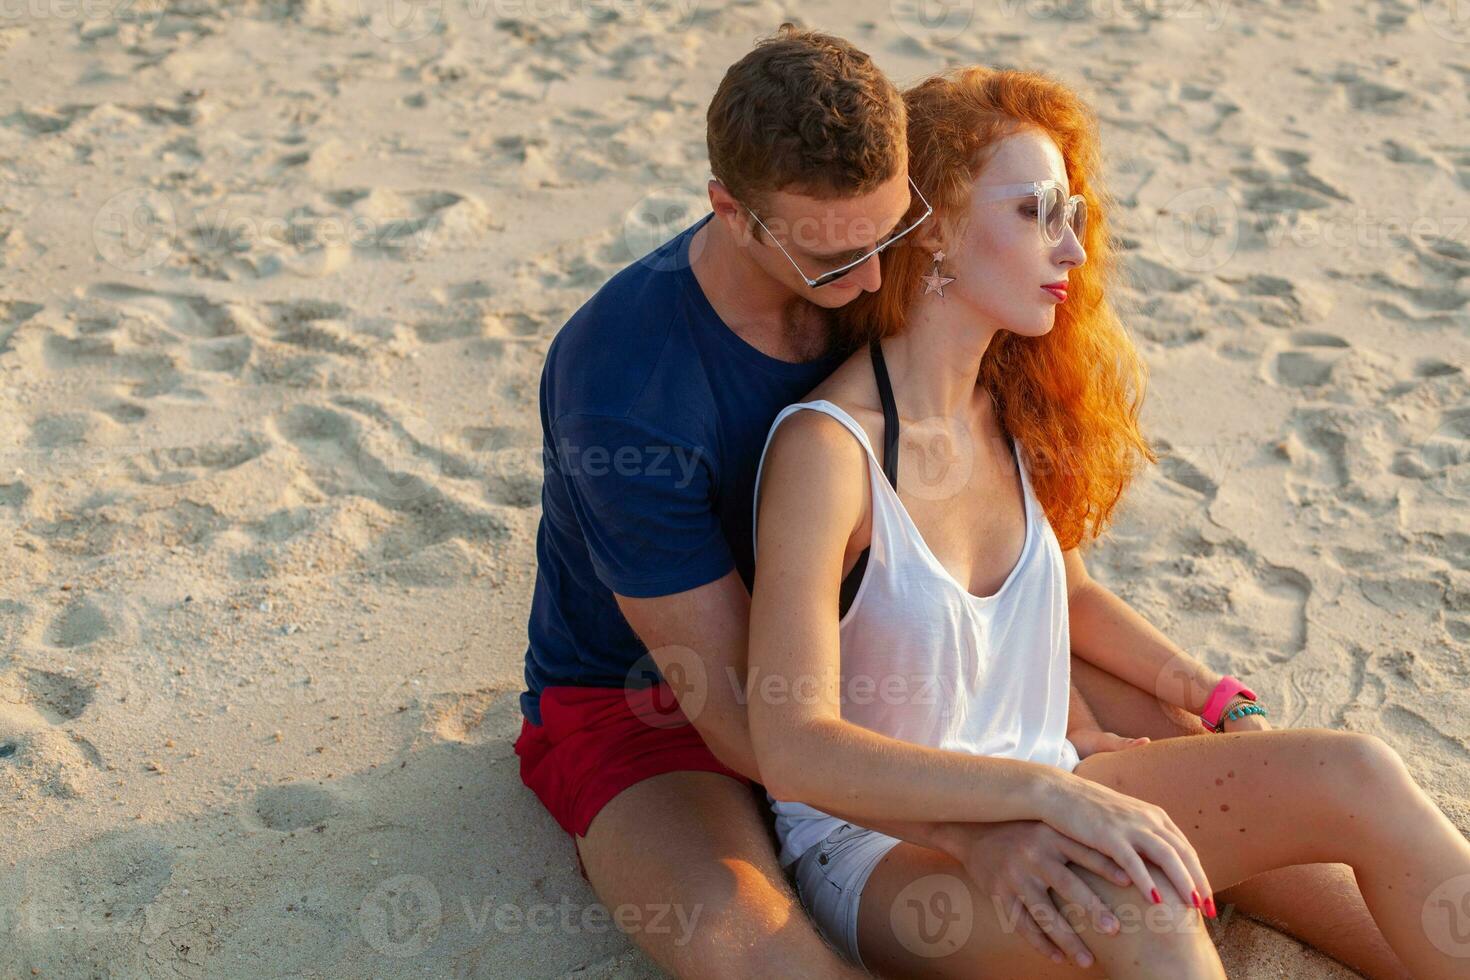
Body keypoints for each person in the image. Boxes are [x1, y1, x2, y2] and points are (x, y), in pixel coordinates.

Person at [514, 25, 1413, 980]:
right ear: (732, 214)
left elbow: (1033, 574)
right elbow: (750, 722)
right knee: (757, 952)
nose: (868, 285)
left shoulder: (872, 253)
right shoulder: (624, 384)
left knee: (1218, 786)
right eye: (833, 263)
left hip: (886, 654)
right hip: (660, 706)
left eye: (891, 233)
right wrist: (982, 827)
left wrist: (1159, 704)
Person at [746, 64, 1470, 979]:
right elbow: (792, 745)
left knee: (1358, 772)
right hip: (883, 851)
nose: (1072, 250)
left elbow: (1072, 595)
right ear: (932, 230)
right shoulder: (830, 452)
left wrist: (1211, 696)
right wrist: (1043, 794)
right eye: (1035, 211)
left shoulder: (1005, 411)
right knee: (1147, 901)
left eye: (1072, 215)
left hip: (1057, 786)